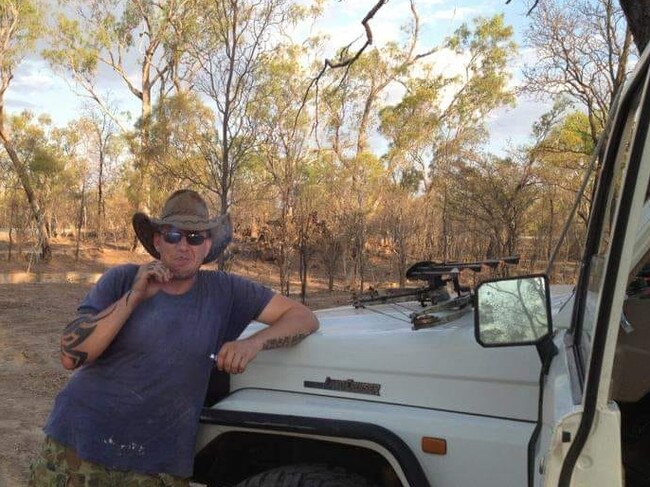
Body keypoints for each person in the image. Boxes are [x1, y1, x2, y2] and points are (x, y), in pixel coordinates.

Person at [29, 189, 319, 486]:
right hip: (79, 448)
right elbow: (71, 354)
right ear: (157, 241)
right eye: (173, 235)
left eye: (195, 238)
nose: (184, 246)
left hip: (158, 467)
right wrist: (135, 296)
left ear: (207, 246)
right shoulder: (121, 280)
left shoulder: (226, 291)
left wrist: (253, 342)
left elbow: (303, 318)